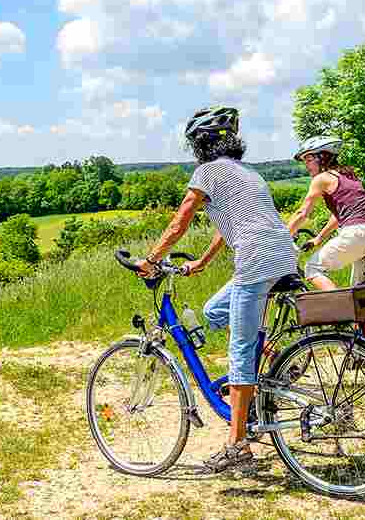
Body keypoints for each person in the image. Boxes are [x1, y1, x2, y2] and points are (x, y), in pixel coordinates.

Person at [135, 105, 297, 474]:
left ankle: (237, 445)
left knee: (238, 350)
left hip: (256, 261)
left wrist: (151, 259)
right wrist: (204, 262)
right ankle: (269, 368)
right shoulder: (247, 173)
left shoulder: (206, 172)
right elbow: (230, 224)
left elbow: (180, 220)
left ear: (200, 144)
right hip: (283, 255)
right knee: (213, 311)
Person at [286, 135, 365, 290]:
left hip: (357, 235)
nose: (306, 165)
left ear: (323, 157)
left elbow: (302, 213)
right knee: (361, 296)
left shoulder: (322, 178)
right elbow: (338, 216)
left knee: (312, 268)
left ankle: (341, 310)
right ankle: (356, 312)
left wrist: (281, 236)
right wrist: (318, 238)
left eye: (308, 159)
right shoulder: (348, 176)